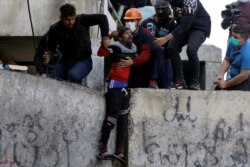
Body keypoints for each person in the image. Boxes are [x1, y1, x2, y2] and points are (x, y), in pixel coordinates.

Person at [97, 26, 137, 164]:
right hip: (114, 86)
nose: (130, 35)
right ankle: (103, 149)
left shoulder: (133, 51)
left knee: (123, 120)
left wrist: (133, 62)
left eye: (131, 33)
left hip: (126, 89)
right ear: (120, 37)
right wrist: (109, 36)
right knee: (112, 117)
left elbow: (141, 58)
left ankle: (119, 151)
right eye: (127, 33)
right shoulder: (115, 48)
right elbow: (101, 52)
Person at [154, 0, 211, 90]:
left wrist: (165, 38)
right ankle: (179, 81)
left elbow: (185, 25)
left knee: (191, 50)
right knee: (171, 48)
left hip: (199, 28)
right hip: (185, 27)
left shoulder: (191, 2)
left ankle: (196, 82)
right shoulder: (172, 2)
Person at [48, 3, 110, 84]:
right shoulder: (54, 29)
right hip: (65, 61)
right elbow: (51, 48)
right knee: (52, 78)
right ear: (61, 18)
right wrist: (48, 55)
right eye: (67, 20)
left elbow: (102, 18)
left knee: (73, 75)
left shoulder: (82, 20)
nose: (71, 22)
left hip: (83, 60)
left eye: (72, 19)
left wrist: (105, 37)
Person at [121, 7, 165, 88]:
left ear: (139, 21)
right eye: (127, 21)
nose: (129, 23)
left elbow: (146, 55)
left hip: (145, 68)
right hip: (131, 68)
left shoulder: (146, 34)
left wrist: (133, 61)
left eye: (132, 21)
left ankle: (153, 80)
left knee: (157, 49)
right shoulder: (123, 34)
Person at [141, 0, 176, 88]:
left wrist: (165, 48)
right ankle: (152, 79)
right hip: (148, 57)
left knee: (166, 86)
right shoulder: (146, 22)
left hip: (165, 58)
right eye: (158, 9)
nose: (160, 11)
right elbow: (140, 39)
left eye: (163, 9)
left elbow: (176, 42)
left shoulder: (171, 24)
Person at [214, 26, 250, 91]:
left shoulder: (248, 52)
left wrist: (225, 84)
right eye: (232, 35)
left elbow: (244, 75)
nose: (232, 39)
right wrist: (220, 75)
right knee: (218, 89)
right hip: (235, 76)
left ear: (244, 39)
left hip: (246, 79)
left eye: (236, 37)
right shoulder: (232, 43)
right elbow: (227, 60)